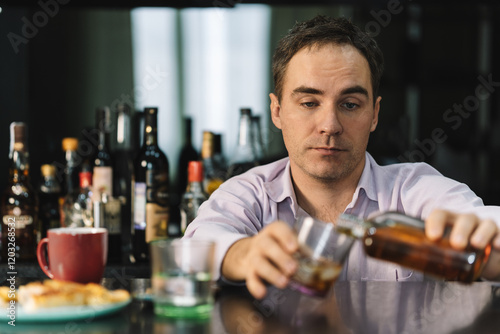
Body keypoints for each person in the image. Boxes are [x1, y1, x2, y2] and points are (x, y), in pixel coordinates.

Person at [183, 15, 500, 299]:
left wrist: (489, 244)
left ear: (374, 114)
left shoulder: (414, 189)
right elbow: (197, 245)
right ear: (277, 111)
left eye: (349, 104)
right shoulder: (249, 192)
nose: (330, 126)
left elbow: (484, 222)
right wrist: (244, 253)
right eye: (309, 103)